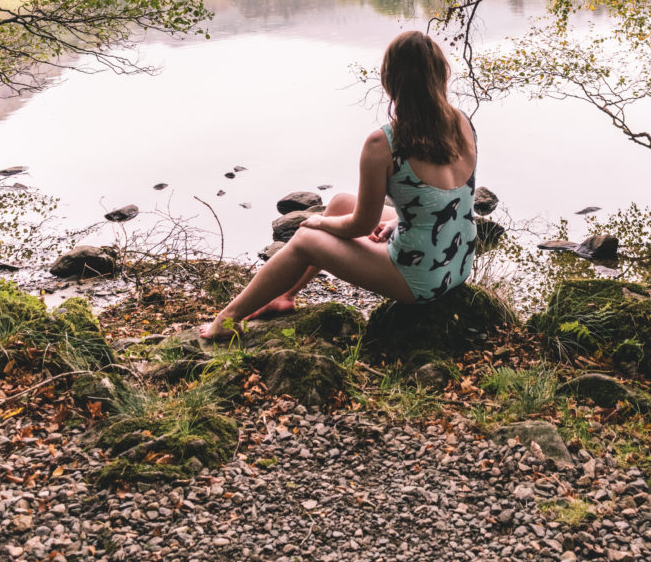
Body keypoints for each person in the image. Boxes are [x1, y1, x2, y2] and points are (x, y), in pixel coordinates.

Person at [199, 30, 478, 340]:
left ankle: (227, 320)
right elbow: (448, 195)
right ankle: (284, 296)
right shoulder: (462, 122)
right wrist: (399, 219)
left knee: (306, 238)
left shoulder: (383, 143)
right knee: (340, 203)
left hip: (422, 279)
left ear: (390, 80)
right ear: (441, 74)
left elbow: (361, 225)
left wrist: (318, 222)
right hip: (460, 262)